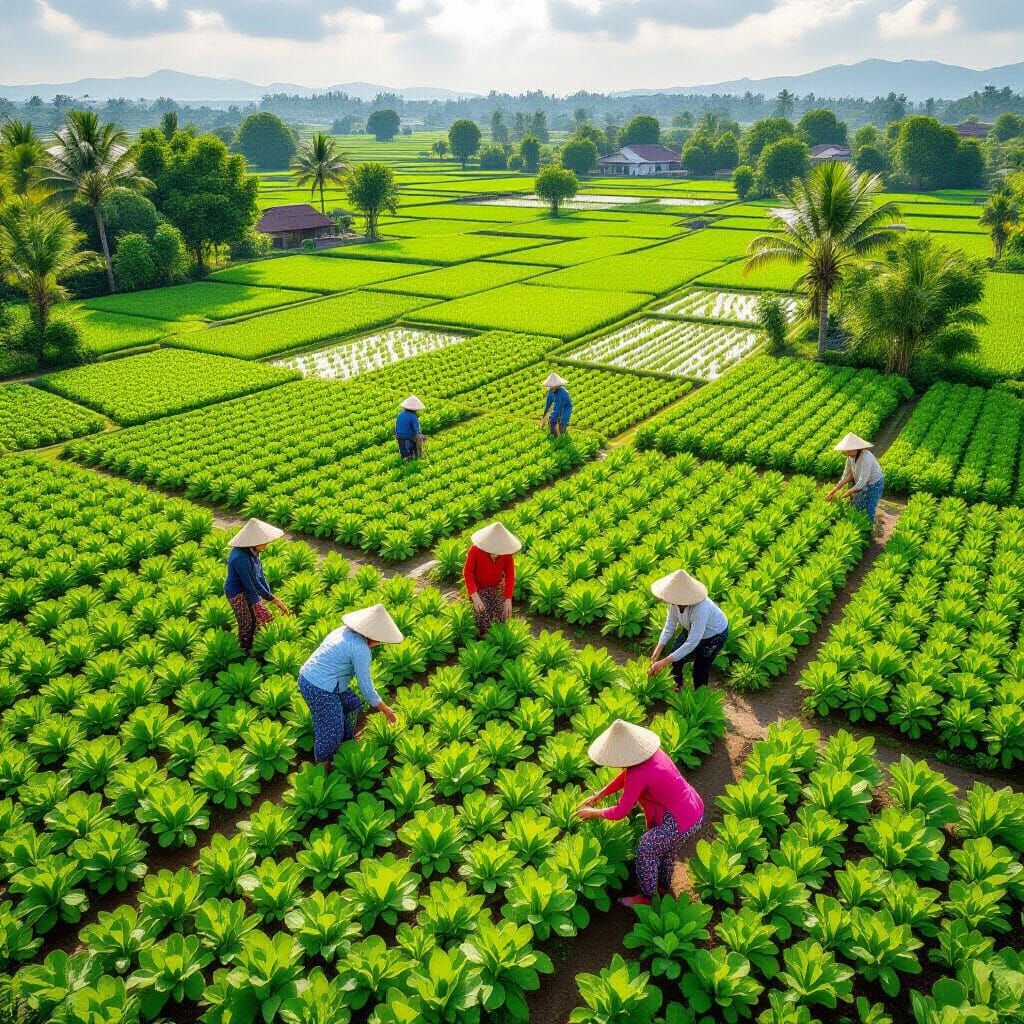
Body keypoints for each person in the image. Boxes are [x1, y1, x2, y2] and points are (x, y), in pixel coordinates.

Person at [578, 719, 704, 907]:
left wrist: (593, 813)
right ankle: (662, 886)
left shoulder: (638, 774)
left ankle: (647, 897)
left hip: (679, 819)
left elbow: (620, 812)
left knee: (646, 848)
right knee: (666, 848)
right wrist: (601, 794)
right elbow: (625, 776)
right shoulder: (652, 755)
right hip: (692, 809)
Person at [298, 604, 401, 762]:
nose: (380, 642)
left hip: (311, 678)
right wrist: (385, 709)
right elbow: (366, 687)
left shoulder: (342, 631)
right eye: (380, 638)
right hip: (319, 688)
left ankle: (345, 744)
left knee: (353, 705)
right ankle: (323, 766)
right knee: (331, 732)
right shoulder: (360, 649)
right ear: (372, 635)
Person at [648, 569, 729, 688]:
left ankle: (699, 697)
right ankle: (677, 686)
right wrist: (658, 649)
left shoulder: (701, 608)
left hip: (714, 635)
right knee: (675, 659)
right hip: (691, 628)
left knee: (700, 669)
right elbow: (670, 624)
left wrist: (663, 662)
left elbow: (692, 643)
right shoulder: (674, 603)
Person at [224, 518, 291, 653]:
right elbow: (251, 584)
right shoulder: (240, 558)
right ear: (253, 542)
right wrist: (272, 600)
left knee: (258, 618)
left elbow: (260, 576)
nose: (265, 545)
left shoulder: (253, 552)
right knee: (247, 622)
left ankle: (255, 643)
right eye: (263, 543)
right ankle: (244, 649)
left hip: (249, 587)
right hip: (237, 592)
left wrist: (270, 595)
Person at [463, 521, 520, 637]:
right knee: (483, 611)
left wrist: (508, 599)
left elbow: (510, 575)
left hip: (496, 586)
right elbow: (467, 572)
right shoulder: (475, 551)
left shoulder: (506, 554)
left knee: (503, 614)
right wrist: (475, 597)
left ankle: (498, 636)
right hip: (479, 588)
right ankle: (483, 636)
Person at [827, 433, 885, 527]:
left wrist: (845, 494)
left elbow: (862, 481)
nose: (844, 452)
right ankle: (857, 525)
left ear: (855, 448)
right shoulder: (850, 458)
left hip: (875, 484)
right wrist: (834, 490)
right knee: (857, 505)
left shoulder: (866, 457)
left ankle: (869, 529)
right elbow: (847, 475)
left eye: (847, 450)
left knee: (869, 507)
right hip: (860, 483)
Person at [540, 372, 572, 437]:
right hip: (558, 406)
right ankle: (554, 435)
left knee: (562, 423)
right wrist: (544, 416)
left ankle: (562, 435)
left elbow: (558, 408)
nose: (551, 388)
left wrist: (554, 419)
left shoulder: (562, 393)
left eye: (552, 387)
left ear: (557, 386)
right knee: (552, 422)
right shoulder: (550, 392)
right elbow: (548, 404)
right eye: (550, 387)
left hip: (566, 408)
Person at [395, 396, 426, 461]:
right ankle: (418, 455)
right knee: (419, 437)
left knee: (404, 452)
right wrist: (421, 437)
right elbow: (416, 430)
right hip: (407, 436)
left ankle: (405, 458)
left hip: (399, 436)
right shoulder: (413, 416)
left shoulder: (400, 414)